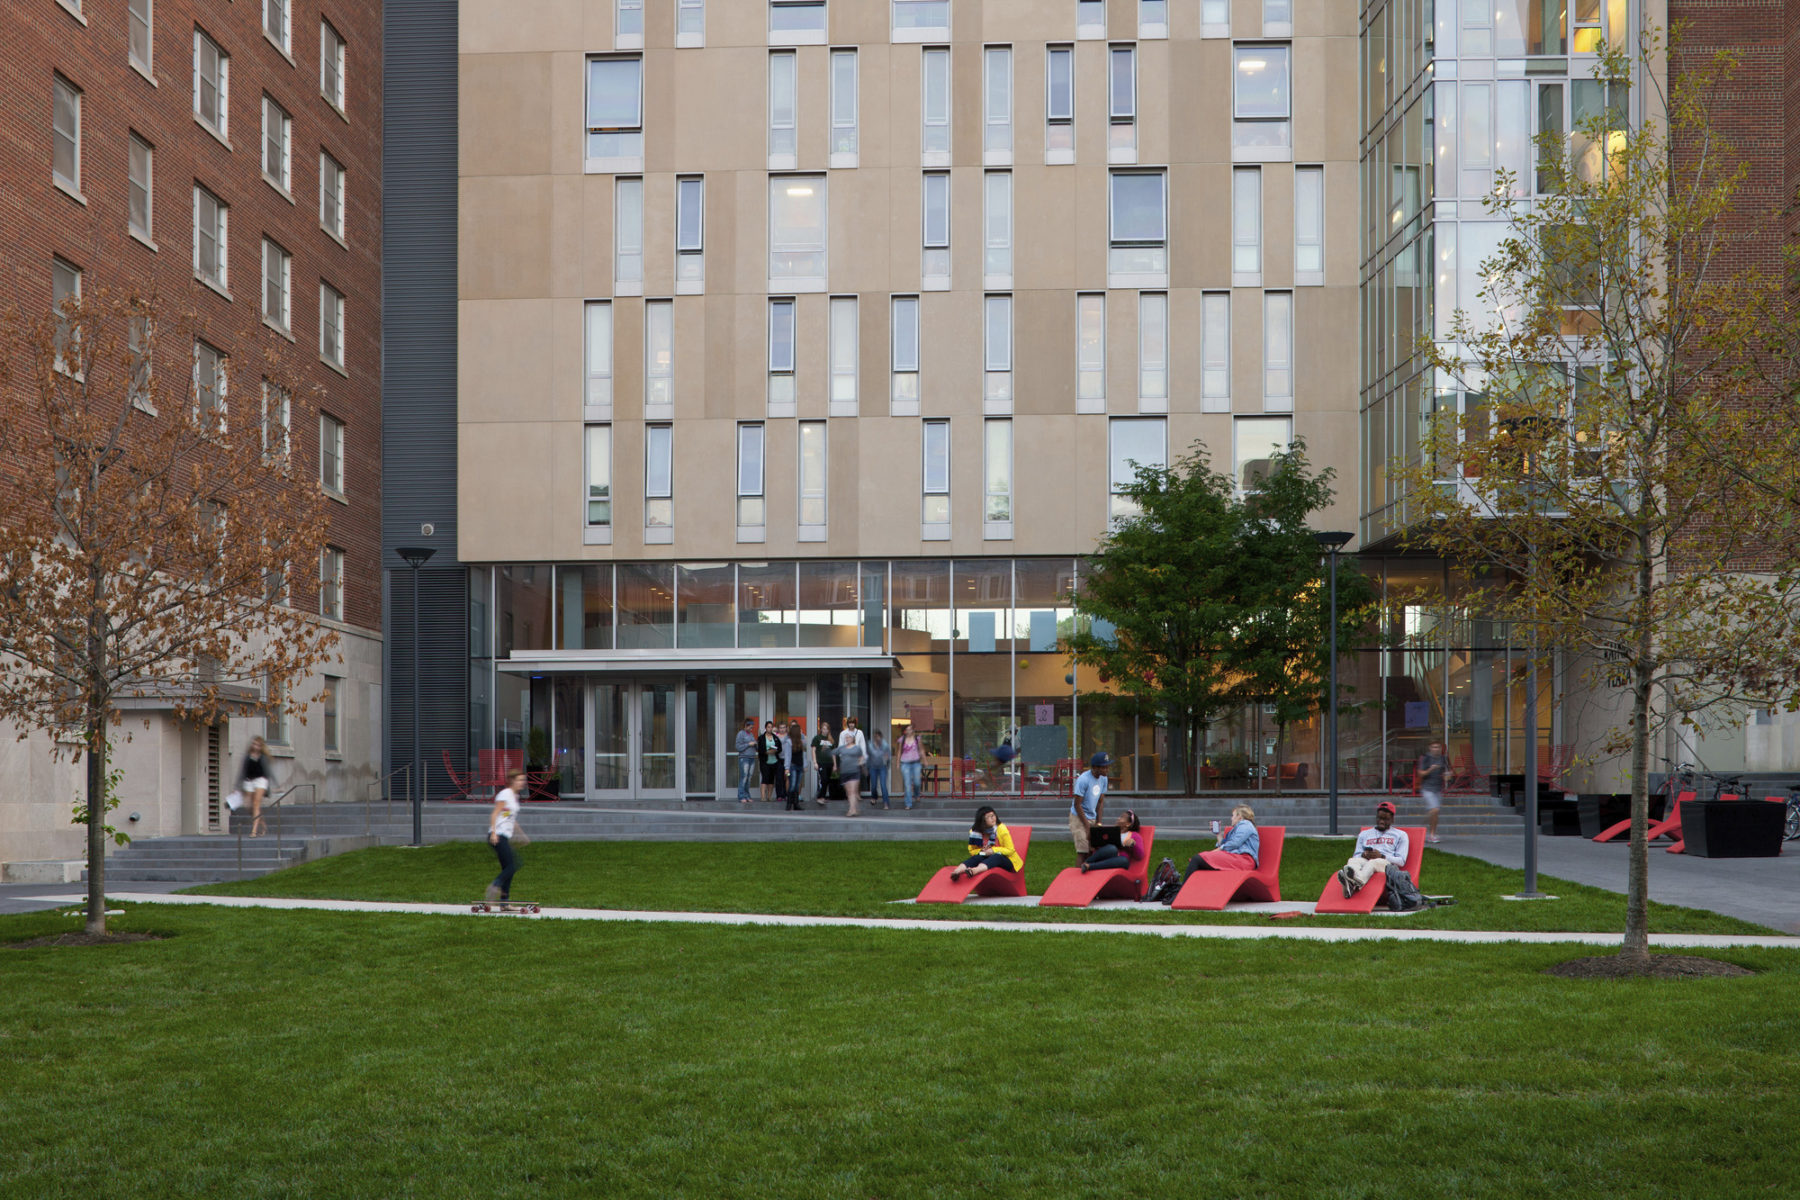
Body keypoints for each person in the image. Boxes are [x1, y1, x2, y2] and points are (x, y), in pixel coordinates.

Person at [1334, 801, 1413, 899]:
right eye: (1379, 818)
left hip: (1388, 865)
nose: (1381, 821)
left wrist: (1382, 856)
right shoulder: (1364, 834)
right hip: (1366, 860)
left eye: (1386, 819)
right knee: (1352, 861)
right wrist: (1364, 854)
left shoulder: (1401, 835)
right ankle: (1349, 884)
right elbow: (1356, 855)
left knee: (1374, 862)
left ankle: (1357, 880)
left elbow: (1401, 861)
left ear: (1392, 819)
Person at [1180, 805, 1260, 879]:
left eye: (1233, 815)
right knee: (1199, 861)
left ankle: (1181, 892)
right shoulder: (1239, 827)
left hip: (1243, 860)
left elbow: (1234, 844)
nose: (1231, 818)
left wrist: (1217, 850)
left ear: (1239, 816)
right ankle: (1188, 890)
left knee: (1198, 859)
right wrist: (1218, 834)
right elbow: (1226, 845)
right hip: (1236, 859)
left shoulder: (1245, 824)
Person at [948, 806, 1023, 880]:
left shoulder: (1001, 829)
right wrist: (982, 851)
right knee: (977, 857)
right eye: (988, 817)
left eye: (993, 815)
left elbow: (1010, 850)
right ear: (982, 821)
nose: (993, 818)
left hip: (1007, 860)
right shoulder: (975, 832)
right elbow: (972, 851)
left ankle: (975, 870)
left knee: (996, 856)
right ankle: (957, 871)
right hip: (986, 856)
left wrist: (993, 850)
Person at [486, 769, 526, 902]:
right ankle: (495, 885)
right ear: (512, 781)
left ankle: (504, 902)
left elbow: (511, 818)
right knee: (512, 865)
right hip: (498, 835)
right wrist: (493, 833)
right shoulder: (505, 794)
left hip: (504, 836)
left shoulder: (514, 797)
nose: (522, 783)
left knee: (508, 868)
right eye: (519, 780)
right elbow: (495, 813)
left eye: (523, 780)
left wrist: (521, 835)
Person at [1069, 751, 1112, 864]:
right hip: (1078, 817)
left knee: (1091, 850)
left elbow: (1100, 802)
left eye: (1108, 767)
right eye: (1104, 767)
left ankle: (1087, 878)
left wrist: (1098, 823)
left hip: (1092, 817)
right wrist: (1087, 826)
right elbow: (1077, 804)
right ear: (1095, 767)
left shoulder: (1104, 779)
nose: (1107, 770)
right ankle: (1077, 879)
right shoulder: (1083, 780)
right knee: (1082, 851)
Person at [1081, 809, 1145, 873]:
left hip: (1116, 861)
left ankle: (1089, 866)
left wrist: (1134, 844)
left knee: (1124, 860)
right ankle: (1087, 862)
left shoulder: (1134, 835)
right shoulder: (1110, 831)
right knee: (1112, 848)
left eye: (1122, 817)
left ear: (1128, 824)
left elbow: (1140, 856)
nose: (1118, 818)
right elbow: (1096, 847)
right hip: (1105, 856)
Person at [240, 736, 274, 838]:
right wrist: (238, 786)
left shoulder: (263, 757)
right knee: (249, 806)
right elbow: (242, 772)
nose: (256, 746)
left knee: (256, 804)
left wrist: (274, 786)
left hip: (261, 781)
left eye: (258, 745)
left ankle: (254, 831)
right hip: (249, 781)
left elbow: (269, 773)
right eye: (254, 744)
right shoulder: (248, 756)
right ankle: (263, 824)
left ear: (261, 747)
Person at [1417, 740, 1449, 844]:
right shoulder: (1426, 758)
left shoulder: (1443, 758)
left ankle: (1427, 822)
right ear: (1430, 748)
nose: (1436, 749)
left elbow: (1446, 773)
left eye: (1438, 747)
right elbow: (1421, 774)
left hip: (1438, 789)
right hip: (1427, 788)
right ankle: (1432, 835)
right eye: (1434, 747)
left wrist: (1447, 776)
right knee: (1435, 810)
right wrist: (1431, 769)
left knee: (1435, 812)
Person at [837, 717, 868, 816]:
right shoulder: (843, 733)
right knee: (849, 782)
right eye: (850, 723)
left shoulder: (859, 733)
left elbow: (862, 745)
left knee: (856, 778)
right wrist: (842, 757)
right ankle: (853, 803)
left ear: (855, 723)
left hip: (857, 757)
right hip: (847, 759)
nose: (851, 725)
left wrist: (863, 757)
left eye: (853, 723)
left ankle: (855, 798)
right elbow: (840, 746)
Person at [756, 721, 784, 804]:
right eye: (768, 727)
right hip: (765, 761)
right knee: (765, 778)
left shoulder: (775, 737)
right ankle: (763, 797)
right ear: (765, 728)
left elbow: (780, 748)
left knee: (771, 779)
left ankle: (769, 796)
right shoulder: (761, 738)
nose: (770, 728)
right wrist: (766, 752)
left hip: (774, 760)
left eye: (771, 727)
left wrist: (775, 751)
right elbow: (759, 749)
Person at [897, 725, 924, 810]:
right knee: (907, 784)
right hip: (905, 763)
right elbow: (899, 751)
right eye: (907, 730)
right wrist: (898, 763)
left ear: (912, 730)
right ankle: (908, 803)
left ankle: (916, 794)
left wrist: (925, 760)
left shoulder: (917, 738)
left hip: (916, 762)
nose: (908, 731)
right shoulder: (902, 739)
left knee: (917, 782)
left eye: (910, 729)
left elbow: (921, 749)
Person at [811, 721, 837, 806]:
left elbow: (833, 753)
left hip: (829, 763)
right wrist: (815, 762)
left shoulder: (831, 739)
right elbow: (813, 750)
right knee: (824, 779)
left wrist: (835, 764)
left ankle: (823, 797)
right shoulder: (817, 738)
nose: (825, 730)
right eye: (824, 729)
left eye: (827, 729)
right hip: (821, 762)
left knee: (827, 780)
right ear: (821, 729)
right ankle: (820, 796)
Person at [735, 718, 757, 804]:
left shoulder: (751, 734)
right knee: (743, 777)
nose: (751, 729)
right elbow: (738, 747)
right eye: (750, 727)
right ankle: (741, 796)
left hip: (752, 757)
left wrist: (755, 744)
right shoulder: (741, 734)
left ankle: (747, 795)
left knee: (749, 777)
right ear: (745, 726)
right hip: (744, 758)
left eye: (752, 727)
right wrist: (749, 744)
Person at [867, 731, 892, 810]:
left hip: (882, 767)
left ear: (881, 737)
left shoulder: (885, 745)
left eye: (878, 737)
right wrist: (867, 768)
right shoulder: (870, 745)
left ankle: (886, 803)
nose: (877, 739)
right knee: (873, 785)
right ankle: (874, 797)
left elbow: (889, 756)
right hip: (873, 767)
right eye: (875, 737)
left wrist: (887, 760)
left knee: (883, 785)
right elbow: (868, 756)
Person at [785, 722, 806, 810]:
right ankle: (789, 803)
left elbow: (804, 754)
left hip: (800, 766)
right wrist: (787, 768)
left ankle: (796, 804)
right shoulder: (788, 742)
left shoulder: (801, 742)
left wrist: (805, 765)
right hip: (792, 766)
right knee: (792, 785)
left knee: (797, 785)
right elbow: (787, 755)